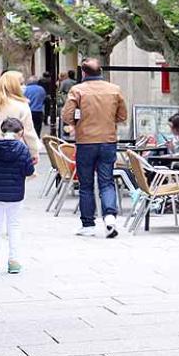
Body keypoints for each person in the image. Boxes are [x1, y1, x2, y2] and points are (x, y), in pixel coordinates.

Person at [62, 58, 128, 239]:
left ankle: (88, 224)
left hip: (85, 141)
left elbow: (67, 116)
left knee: (86, 184)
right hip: (108, 141)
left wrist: (78, 121)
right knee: (106, 181)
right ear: (101, 71)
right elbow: (122, 115)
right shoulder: (114, 89)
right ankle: (109, 217)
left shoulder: (77, 90)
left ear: (83, 73)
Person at [0, 117, 37, 276]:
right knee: (14, 226)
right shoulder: (23, 148)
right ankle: (14, 262)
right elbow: (29, 171)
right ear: (20, 133)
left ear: (2, 131)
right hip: (16, 194)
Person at [0, 71, 42, 159]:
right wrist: (34, 152)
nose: (24, 86)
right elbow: (28, 132)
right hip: (15, 153)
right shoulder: (21, 105)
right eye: (21, 83)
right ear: (14, 85)